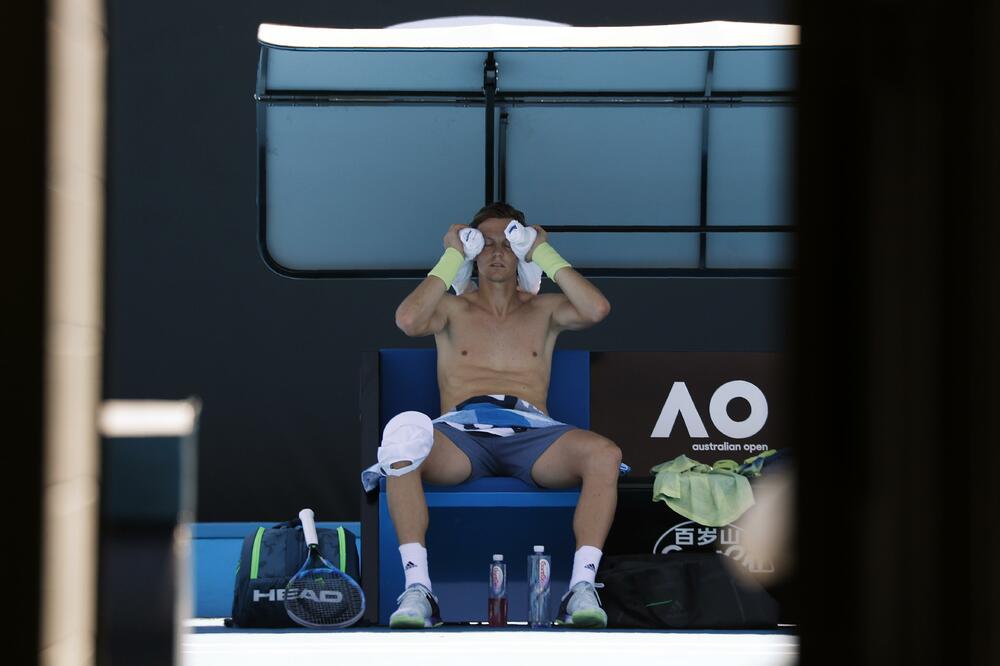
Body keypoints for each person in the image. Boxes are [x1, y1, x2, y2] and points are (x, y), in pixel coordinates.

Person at [388, 201, 620, 629]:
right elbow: (407, 319)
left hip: (533, 434)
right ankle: (419, 590)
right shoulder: (451, 310)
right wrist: (452, 252)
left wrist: (543, 251)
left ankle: (581, 588)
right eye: (485, 243)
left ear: (521, 250)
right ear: (474, 253)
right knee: (401, 442)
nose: (497, 251)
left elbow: (596, 309)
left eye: (508, 242)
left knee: (604, 453)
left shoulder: (545, 309)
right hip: (461, 434)